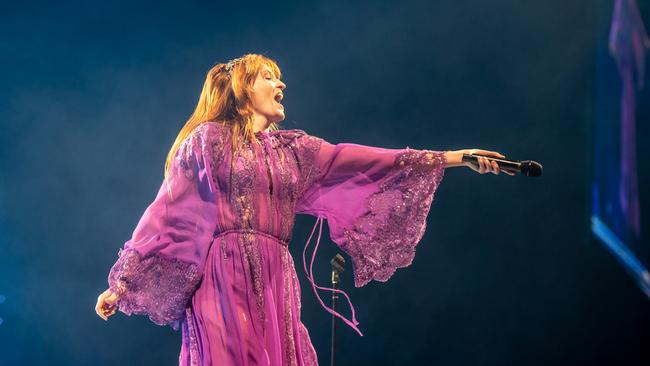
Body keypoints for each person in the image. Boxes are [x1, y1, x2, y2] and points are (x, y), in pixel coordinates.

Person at [95, 53, 513, 366]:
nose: (281, 84)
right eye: (268, 77)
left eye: (279, 77)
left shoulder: (293, 151)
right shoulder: (208, 141)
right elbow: (170, 211)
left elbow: (363, 161)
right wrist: (124, 284)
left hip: (275, 278)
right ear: (243, 90)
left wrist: (453, 157)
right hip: (222, 278)